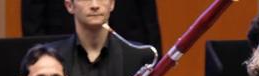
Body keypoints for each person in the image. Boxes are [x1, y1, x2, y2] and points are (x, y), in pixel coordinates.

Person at [51, 0, 163, 76]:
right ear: (69, 5)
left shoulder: (140, 57)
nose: (95, 5)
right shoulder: (50, 58)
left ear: (112, 4)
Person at [22, 0, 161, 50]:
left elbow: (148, 14)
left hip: (127, 41)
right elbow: (32, 16)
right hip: (62, 41)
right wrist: (38, 54)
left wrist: (153, 59)